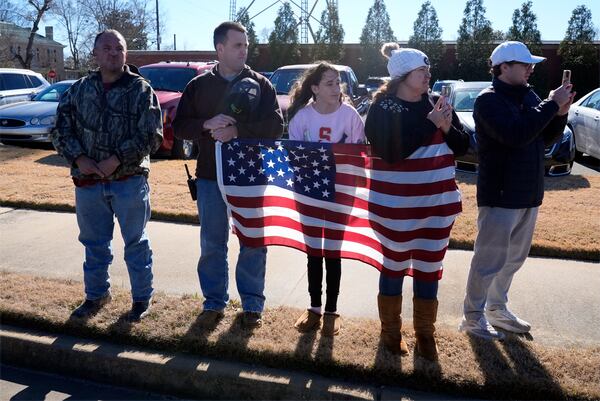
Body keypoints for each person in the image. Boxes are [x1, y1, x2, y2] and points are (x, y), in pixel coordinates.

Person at [459, 41, 574, 340]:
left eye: (531, 64)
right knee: (489, 260)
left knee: (513, 259)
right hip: (500, 194)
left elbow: (544, 136)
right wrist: (550, 105)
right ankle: (472, 317)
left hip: (528, 191)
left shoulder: (528, 95)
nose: (531, 68)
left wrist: (559, 112)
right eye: (525, 64)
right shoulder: (489, 100)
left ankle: (497, 309)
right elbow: (515, 134)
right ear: (503, 68)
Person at [173, 21, 283, 329]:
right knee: (212, 243)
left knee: (253, 242)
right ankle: (214, 302)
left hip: (250, 178)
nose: (244, 50)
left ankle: (251, 304)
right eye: (237, 45)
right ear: (220, 49)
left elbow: (275, 127)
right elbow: (180, 126)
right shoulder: (198, 86)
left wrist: (238, 131)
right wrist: (207, 124)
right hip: (209, 177)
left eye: (246, 45)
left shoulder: (261, 84)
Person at [364, 43, 470, 361]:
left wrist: (448, 126)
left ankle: (425, 333)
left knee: (428, 268)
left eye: (428, 70)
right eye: (422, 71)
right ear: (402, 75)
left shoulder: (437, 104)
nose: (428, 76)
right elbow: (392, 153)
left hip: (436, 206)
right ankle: (390, 333)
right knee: (394, 267)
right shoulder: (382, 108)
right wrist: (431, 123)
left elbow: (464, 147)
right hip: (393, 208)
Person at [51, 29, 163, 322]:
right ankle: (96, 295)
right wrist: (79, 157)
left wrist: (117, 159)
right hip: (88, 183)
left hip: (128, 182)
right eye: (108, 48)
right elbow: (60, 128)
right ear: (96, 53)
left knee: (136, 242)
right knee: (94, 244)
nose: (114, 53)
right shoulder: (78, 90)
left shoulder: (140, 90)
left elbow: (151, 136)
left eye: (120, 48)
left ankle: (141, 299)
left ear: (126, 54)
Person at [287, 62, 366, 337]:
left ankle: (332, 310)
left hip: (340, 193)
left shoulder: (351, 116)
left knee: (333, 250)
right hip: (309, 192)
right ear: (315, 89)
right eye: (330, 83)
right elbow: (293, 157)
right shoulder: (301, 119)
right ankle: (314, 308)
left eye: (338, 83)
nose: (336, 88)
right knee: (313, 250)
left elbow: (358, 159)